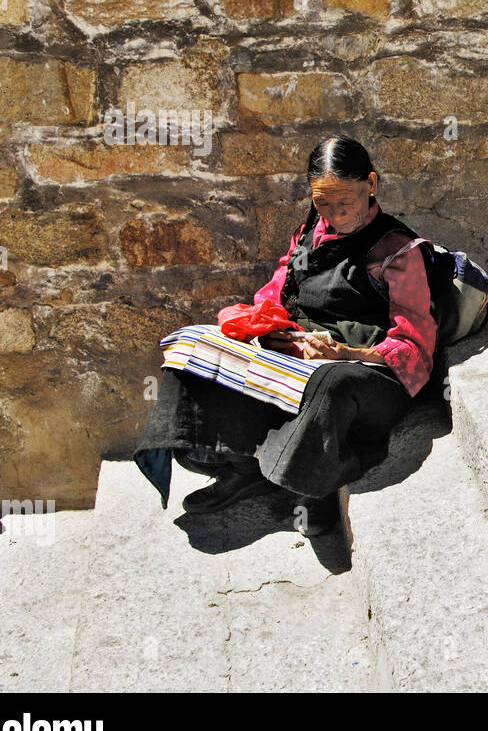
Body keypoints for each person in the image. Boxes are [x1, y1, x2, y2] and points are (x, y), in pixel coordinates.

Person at [134, 136, 438, 536]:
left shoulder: (398, 251)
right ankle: (245, 466)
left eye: (345, 200)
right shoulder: (310, 233)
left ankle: (315, 491)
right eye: (322, 202)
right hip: (301, 352)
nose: (334, 213)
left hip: (367, 373)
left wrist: (345, 353)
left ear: (372, 184)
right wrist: (269, 330)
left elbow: (415, 349)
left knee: (328, 384)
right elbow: (276, 292)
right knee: (192, 346)